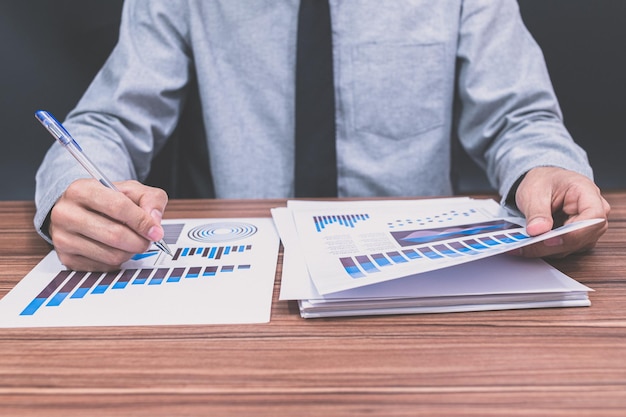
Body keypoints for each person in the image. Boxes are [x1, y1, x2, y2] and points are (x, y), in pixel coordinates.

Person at [34, 0, 610, 272]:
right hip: (244, 274)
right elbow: (107, 121)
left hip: (416, 279)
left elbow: (518, 118)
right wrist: (78, 191)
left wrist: (545, 168)